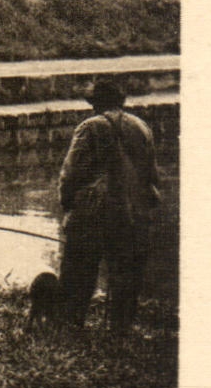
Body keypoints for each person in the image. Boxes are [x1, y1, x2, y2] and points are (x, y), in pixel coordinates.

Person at [56, 81, 161, 333]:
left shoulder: (89, 127)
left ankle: (72, 322)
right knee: (126, 272)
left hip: (94, 210)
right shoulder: (141, 126)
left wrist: (67, 205)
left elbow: (71, 173)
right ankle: (121, 326)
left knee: (79, 268)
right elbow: (152, 175)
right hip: (133, 213)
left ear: (95, 103)